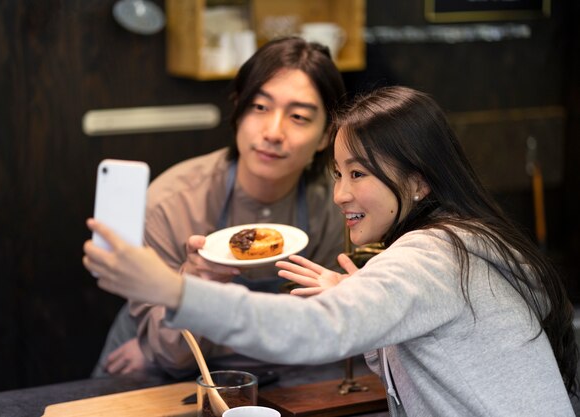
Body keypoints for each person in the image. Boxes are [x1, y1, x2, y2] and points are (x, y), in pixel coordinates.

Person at [83, 86, 578, 416]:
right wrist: (356, 295)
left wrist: (172, 288)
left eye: (358, 174)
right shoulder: (464, 242)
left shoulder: (433, 255)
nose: (341, 194)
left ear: (420, 180)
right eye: (338, 174)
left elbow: (309, 332)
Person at [91, 37, 347, 378]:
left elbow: (323, 332)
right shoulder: (171, 203)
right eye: (259, 107)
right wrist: (191, 284)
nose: (273, 132)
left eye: (299, 116)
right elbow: (171, 354)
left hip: (280, 372)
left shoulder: (338, 206)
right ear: (238, 108)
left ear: (326, 136)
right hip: (170, 372)